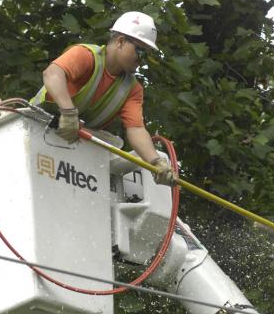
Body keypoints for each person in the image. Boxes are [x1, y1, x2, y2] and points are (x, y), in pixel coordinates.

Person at [31, 11, 174, 185]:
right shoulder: (86, 55)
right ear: (120, 41)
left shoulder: (132, 89)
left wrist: (156, 162)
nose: (142, 60)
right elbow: (53, 74)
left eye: (147, 54)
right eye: (141, 51)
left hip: (73, 151)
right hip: (35, 130)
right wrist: (68, 113)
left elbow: (135, 129)